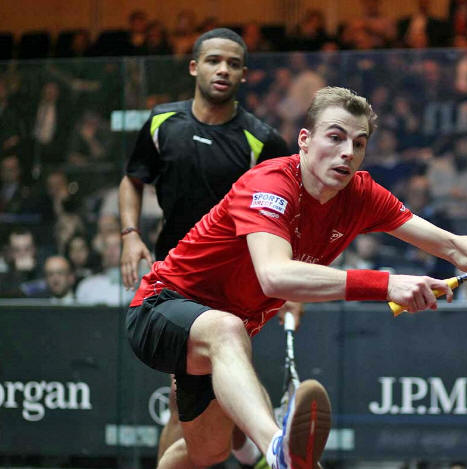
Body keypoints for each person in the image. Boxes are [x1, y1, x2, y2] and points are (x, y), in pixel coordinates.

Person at [126, 86, 467, 468]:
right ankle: (277, 449)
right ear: (305, 140)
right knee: (226, 329)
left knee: (206, 453)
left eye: (359, 143)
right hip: (161, 306)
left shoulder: (361, 196)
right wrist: (386, 284)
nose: (347, 151)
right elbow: (274, 276)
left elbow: (454, 246)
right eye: (335, 137)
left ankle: (272, 450)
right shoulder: (271, 183)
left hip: (222, 337)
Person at [118, 27, 292, 467]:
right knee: (190, 397)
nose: (223, 70)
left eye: (233, 64)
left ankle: (255, 448)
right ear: (195, 67)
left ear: (244, 75)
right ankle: (257, 450)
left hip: (235, 284)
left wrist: (290, 283)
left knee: (210, 390)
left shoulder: (262, 141)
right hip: (174, 281)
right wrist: (130, 234)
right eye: (214, 60)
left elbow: (288, 215)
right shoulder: (162, 123)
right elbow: (133, 179)